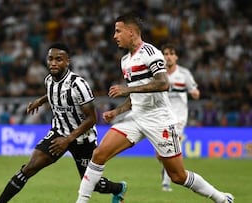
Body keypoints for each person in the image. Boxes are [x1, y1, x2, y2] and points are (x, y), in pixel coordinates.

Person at [75, 13, 234, 203]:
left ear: (131, 32)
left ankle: (222, 199)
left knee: (178, 176)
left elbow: (163, 83)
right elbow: (136, 97)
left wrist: (127, 88)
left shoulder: (151, 53)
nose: (114, 36)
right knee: (99, 154)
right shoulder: (125, 61)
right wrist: (117, 111)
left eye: (118, 31)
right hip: (136, 117)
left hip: (160, 120)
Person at [0, 43, 127, 203]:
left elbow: (92, 118)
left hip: (82, 139)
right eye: (50, 59)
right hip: (58, 133)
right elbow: (55, 92)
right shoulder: (49, 81)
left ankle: (119, 188)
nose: (53, 63)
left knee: (94, 185)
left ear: (67, 62)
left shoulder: (78, 85)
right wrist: (41, 100)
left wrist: (68, 140)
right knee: (28, 168)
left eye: (58, 59)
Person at [159, 43, 200, 192]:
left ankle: (166, 182)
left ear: (176, 57)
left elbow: (195, 91)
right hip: (162, 115)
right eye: (166, 54)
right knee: (161, 152)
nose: (168, 57)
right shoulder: (159, 74)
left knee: (173, 143)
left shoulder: (184, 73)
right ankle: (165, 168)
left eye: (171, 53)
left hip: (179, 116)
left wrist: (194, 93)